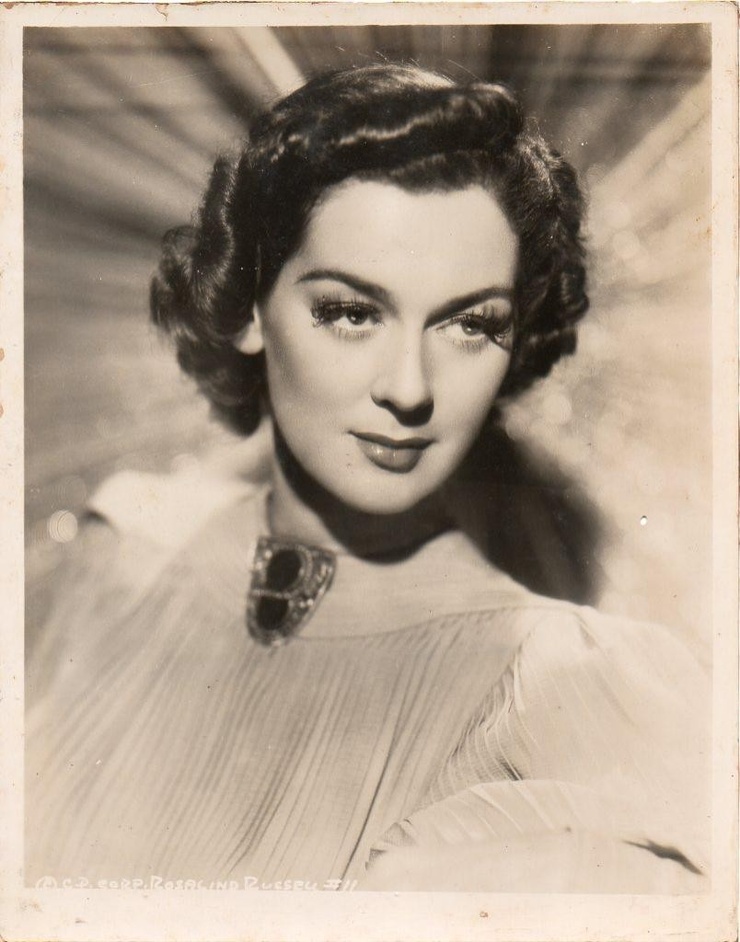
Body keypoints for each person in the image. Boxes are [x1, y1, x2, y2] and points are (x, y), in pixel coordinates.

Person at [25, 64, 709, 892]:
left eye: (470, 325)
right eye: (352, 312)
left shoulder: (562, 687)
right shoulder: (119, 557)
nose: (410, 389)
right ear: (250, 309)